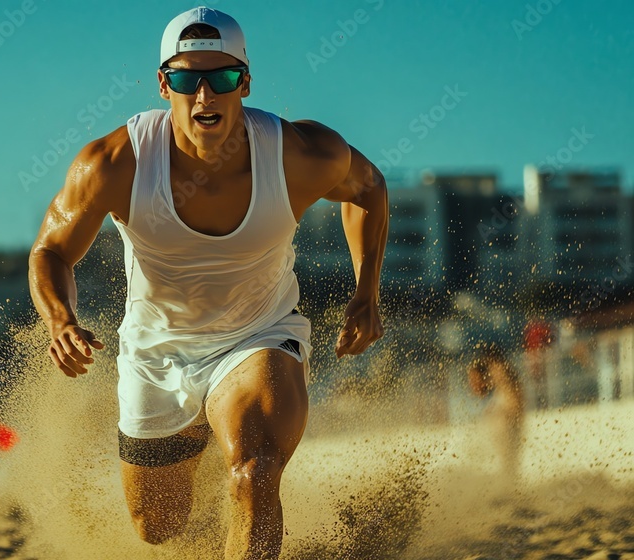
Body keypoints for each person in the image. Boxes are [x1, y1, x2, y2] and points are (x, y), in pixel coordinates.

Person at [28, 7, 388, 558]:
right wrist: (60, 319)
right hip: (156, 353)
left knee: (254, 472)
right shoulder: (115, 163)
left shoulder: (294, 154)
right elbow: (51, 250)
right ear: (162, 83)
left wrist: (367, 293)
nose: (204, 96)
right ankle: (203, 435)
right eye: (185, 79)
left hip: (258, 336)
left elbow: (367, 189)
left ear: (244, 81)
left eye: (220, 77)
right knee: (160, 528)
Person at [467, 344, 525, 480]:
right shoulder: (503, 372)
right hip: (510, 417)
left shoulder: (499, 369)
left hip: (508, 418)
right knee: (509, 460)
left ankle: (508, 485)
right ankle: (509, 484)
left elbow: (515, 401)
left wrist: (504, 412)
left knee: (508, 460)